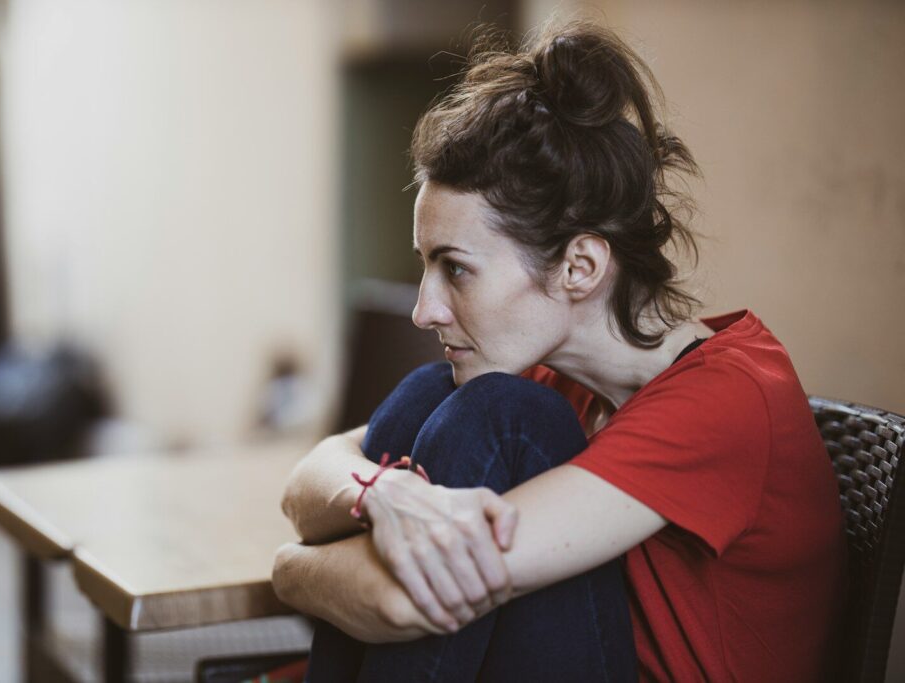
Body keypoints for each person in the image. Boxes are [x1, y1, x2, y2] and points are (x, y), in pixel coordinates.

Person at [272, 20, 847, 683]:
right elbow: (308, 480)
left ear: (579, 266)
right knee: (433, 393)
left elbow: (405, 601)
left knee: (499, 413)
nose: (423, 308)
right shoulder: (559, 373)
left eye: (455, 268)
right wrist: (382, 493)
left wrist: (291, 569)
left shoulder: (726, 400)